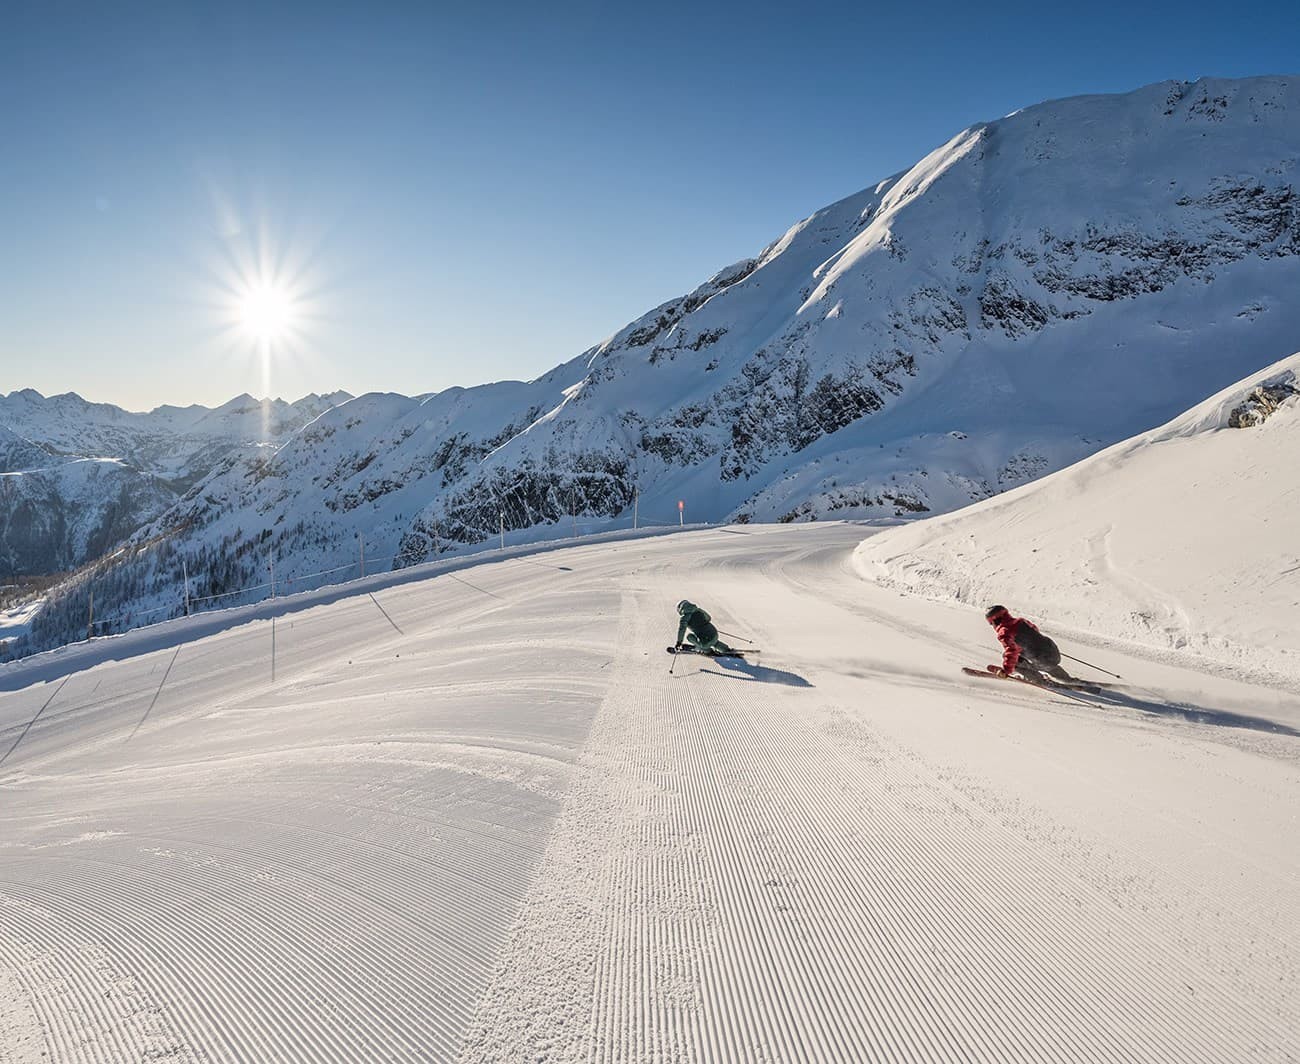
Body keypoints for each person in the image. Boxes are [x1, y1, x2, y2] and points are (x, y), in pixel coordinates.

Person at [984, 604, 1075, 684]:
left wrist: (1006, 671)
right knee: (1034, 657)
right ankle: (1066, 678)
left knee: (1015, 661)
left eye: (991, 623)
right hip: (1053, 652)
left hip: (1042, 660)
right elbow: (1035, 631)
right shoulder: (1021, 621)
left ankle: (1040, 681)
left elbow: (1012, 651)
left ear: (994, 621)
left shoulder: (1004, 632)